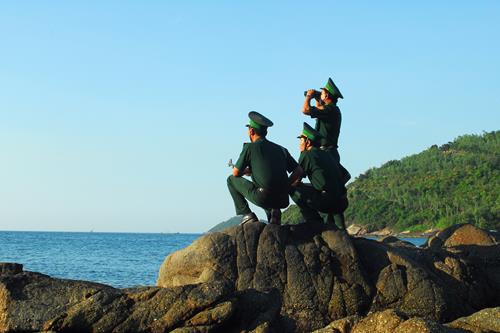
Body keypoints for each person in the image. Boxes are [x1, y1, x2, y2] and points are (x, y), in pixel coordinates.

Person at [227, 111, 303, 225]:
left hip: (264, 197)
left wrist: (246, 171)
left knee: (231, 180)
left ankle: (247, 215)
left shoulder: (250, 147)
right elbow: (299, 170)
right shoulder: (281, 149)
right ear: (266, 131)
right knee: (266, 184)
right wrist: (286, 185)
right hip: (282, 199)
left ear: (251, 131)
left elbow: (236, 173)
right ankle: (274, 213)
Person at [290, 122, 348, 228]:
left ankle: (315, 222)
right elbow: (346, 175)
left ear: (307, 142)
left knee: (292, 189)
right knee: (324, 192)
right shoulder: (327, 154)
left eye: (301, 140)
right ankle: (337, 227)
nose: (300, 143)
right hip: (343, 201)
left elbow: (295, 180)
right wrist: (333, 188)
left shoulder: (306, 155)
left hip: (327, 202)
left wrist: (283, 185)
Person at [302, 77, 350, 182]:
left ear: (327, 95)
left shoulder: (330, 110)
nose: (320, 94)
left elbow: (305, 110)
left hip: (327, 153)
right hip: (329, 152)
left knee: (326, 185)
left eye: (322, 93)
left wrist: (309, 96)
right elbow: (319, 109)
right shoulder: (331, 110)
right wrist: (317, 97)